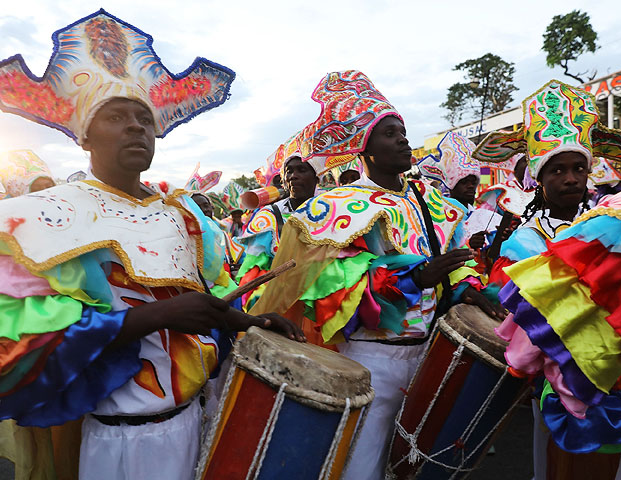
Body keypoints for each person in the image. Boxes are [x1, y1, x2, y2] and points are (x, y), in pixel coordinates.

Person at [0, 10, 303, 480]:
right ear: (85, 136)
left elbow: (204, 298)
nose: (136, 127)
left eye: (144, 118)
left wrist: (251, 321)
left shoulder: (184, 215)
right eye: (116, 117)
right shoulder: (45, 217)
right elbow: (15, 334)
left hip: (199, 418)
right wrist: (153, 317)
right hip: (122, 438)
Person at [250, 70, 504, 479]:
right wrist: (416, 279)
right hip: (372, 358)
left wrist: (467, 289)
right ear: (364, 150)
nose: (403, 139)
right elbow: (335, 292)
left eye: (402, 130)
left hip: (431, 351)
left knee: (419, 464)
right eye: (389, 133)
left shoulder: (434, 203)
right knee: (361, 465)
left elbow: (458, 263)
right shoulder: (340, 207)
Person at [474, 79, 621, 479]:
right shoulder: (526, 239)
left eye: (578, 168)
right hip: (559, 369)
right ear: (539, 179)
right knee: (556, 464)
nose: (570, 178)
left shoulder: (616, 222)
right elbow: (524, 313)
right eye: (558, 170)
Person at [235, 147, 320, 311]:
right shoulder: (268, 216)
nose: (294, 176)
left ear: (317, 178)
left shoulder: (332, 211)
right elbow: (254, 272)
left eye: (302, 170)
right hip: (280, 298)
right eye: (289, 172)